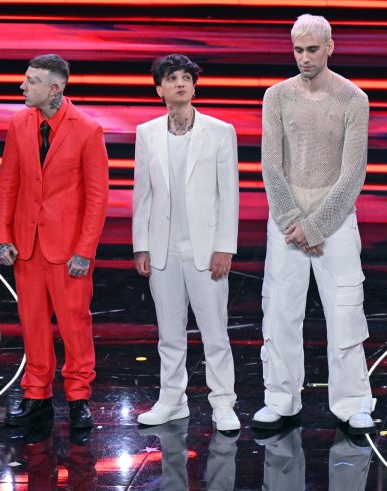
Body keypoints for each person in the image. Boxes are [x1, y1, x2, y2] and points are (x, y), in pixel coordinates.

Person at [251, 14, 375, 434]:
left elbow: (353, 173)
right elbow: (271, 165)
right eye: (298, 50)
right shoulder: (276, 96)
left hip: (335, 223)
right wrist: (294, 222)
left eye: (312, 49)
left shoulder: (353, 99)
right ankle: (280, 399)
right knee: (279, 313)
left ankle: (353, 403)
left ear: (330, 47)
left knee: (345, 313)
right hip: (286, 224)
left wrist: (317, 226)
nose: (304, 57)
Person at [0, 54, 109, 428]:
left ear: (55, 88)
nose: (23, 86)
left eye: (32, 81)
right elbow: (8, 183)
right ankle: (36, 395)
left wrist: (85, 250)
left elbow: (97, 197)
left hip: (68, 249)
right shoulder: (18, 123)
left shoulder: (88, 130)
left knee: (75, 326)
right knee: (32, 324)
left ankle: (78, 397)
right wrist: (3, 237)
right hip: (27, 245)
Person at [132, 54, 240, 432]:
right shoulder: (147, 132)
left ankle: (223, 403)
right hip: (162, 248)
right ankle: (172, 400)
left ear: (194, 87)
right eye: (171, 78)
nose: (180, 83)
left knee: (215, 333)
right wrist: (141, 245)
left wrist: (225, 246)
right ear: (159, 89)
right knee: (169, 335)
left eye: (186, 78)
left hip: (206, 249)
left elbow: (229, 194)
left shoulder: (220, 131)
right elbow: (142, 193)